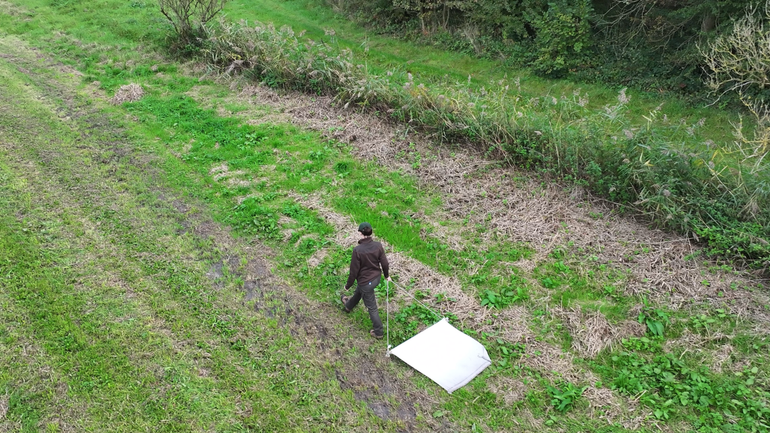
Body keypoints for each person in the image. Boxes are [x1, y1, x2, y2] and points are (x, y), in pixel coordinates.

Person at [341, 222, 391, 339]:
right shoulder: (378, 246)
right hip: (376, 278)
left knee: (372, 307)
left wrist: (348, 285)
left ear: (360, 233)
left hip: (365, 282)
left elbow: (354, 271)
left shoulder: (358, 250)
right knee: (360, 290)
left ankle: (378, 332)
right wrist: (386, 275)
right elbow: (384, 263)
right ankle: (348, 305)